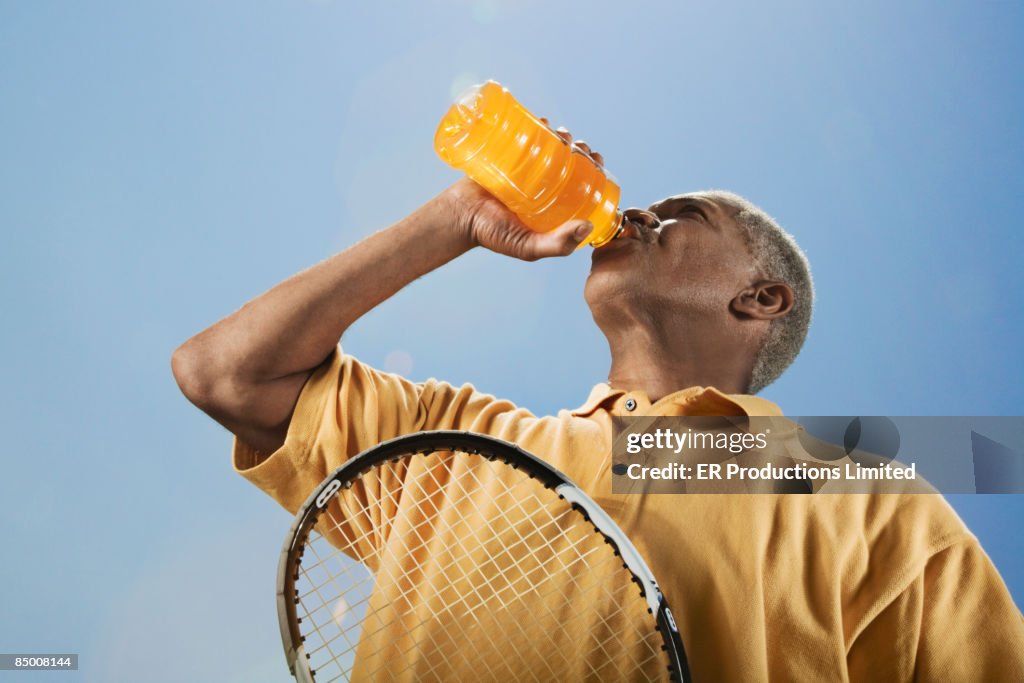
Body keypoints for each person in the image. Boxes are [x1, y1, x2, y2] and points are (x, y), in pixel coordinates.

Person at [172, 136, 1024, 680]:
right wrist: (454, 216)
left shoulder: (869, 498)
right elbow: (224, 371)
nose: (641, 212)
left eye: (683, 216)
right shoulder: (460, 442)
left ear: (762, 298)